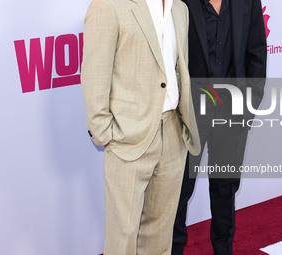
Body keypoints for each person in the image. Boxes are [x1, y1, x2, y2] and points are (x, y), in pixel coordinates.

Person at [81, 0, 200, 254]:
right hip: (128, 138)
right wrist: (106, 134)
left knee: (160, 235)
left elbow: (178, 69)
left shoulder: (180, 8)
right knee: (122, 239)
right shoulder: (108, 6)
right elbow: (94, 75)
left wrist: (181, 126)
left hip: (172, 133)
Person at [172, 0, 267, 254]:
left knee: (225, 188)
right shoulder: (180, 2)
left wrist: (250, 104)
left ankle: (223, 250)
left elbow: (257, 50)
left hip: (232, 111)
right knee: (179, 191)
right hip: (191, 112)